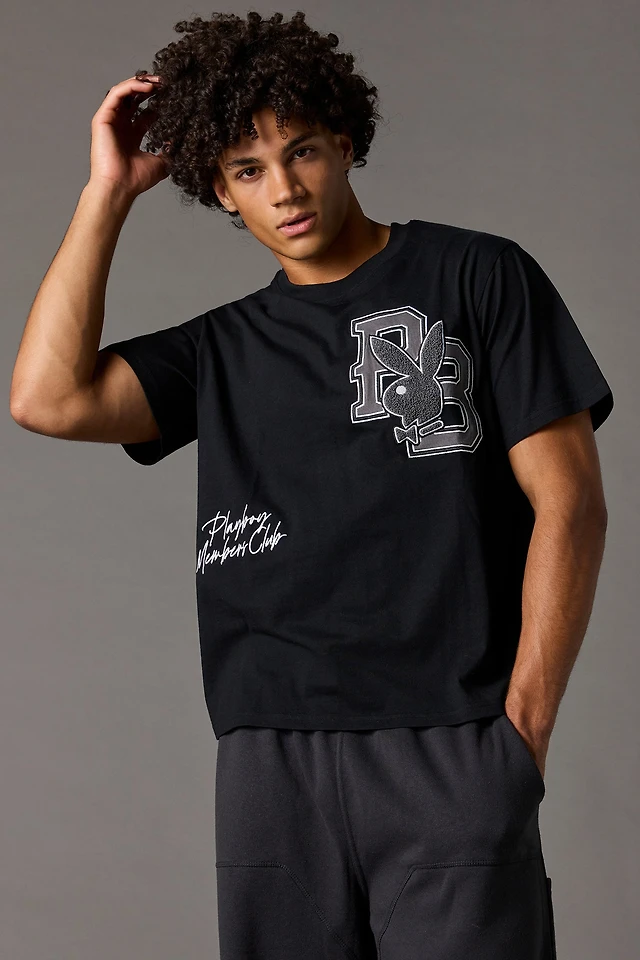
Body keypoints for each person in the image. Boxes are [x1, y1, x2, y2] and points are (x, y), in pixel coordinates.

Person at [10, 10, 612, 959]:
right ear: (219, 189)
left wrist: (522, 732)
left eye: (302, 152)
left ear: (345, 142)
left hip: (448, 746)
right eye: (248, 169)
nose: (284, 189)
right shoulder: (222, 349)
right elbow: (47, 398)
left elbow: (570, 504)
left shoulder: (477, 275)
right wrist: (107, 193)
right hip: (269, 766)